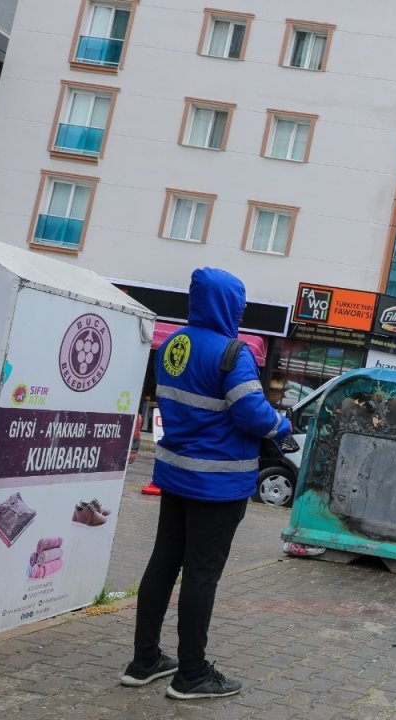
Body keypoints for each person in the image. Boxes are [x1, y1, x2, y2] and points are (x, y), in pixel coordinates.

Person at [120, 267, 291, 700]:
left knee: (163, 563)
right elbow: (252, 414)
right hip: (217, 486)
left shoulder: (173, 343)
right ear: (230, 305)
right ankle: (192, 674)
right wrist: (282, 422)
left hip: (175, 475)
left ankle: (144, 661)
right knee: (201, 574)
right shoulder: (233, 353)